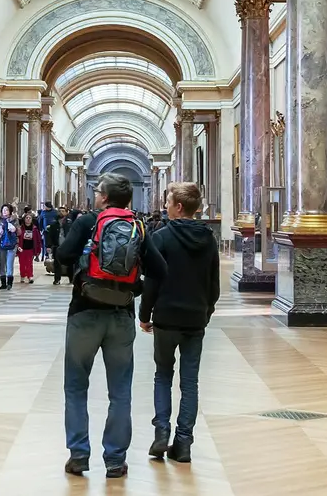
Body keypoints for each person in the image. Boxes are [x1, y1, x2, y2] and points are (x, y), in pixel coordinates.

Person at [55, 173, 166, 479]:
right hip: (121, 315)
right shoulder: (138, 226)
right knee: (120, 391)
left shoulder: (88, 222)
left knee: (76, 386)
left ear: (104, 197)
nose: (95, 195)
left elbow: (63, 255)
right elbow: (160, 269)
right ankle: (115, 460)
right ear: (128, 199)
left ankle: (78, 455)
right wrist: (135, 286)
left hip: (84, 312)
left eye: (97, 191)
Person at [139, 182, 220, 464]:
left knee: (163, 375)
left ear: (179, 207)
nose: (165, 206)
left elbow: (152, 280)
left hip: (166, 318)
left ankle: (162, 432)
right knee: (190, 383)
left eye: (168, 202)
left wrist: (144, 314)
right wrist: (206, 312)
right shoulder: (209, 239)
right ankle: (183, 443)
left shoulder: (160, 238)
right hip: (195, 318)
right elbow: (214, 284)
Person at [0, 203, 18, 291]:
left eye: (7, 210)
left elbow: (19, 232)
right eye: (3, 210)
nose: (5, 212)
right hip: (1, 244)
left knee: (9, 263)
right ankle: (3, 283)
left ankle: (9, 283)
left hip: (12, 245)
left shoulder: (15, 220)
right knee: (2, 263)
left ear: (10, 211)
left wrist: (15, 230)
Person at [16, 210, 41, 284]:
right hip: (22, 248)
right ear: (24, 219)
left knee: (29, 263)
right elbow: (17, 237)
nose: (28, 219)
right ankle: (22, 276)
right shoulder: (21, 228)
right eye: (26, 218)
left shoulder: (35, 229)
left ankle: (30, 276)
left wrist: (38, 250)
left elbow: (38, 239)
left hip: (30, 248)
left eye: (30, 218)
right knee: (22, 263)